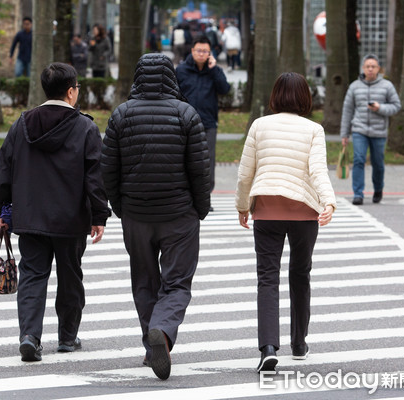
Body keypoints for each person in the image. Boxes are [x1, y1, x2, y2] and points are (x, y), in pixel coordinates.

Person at [0, 62, 111, 362]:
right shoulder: (85, 127)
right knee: (70, 277)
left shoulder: (22, 124)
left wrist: (1, 209)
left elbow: (5, 168)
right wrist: (98, 215)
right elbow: (95, 177)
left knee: (32, 275)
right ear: (71, 92)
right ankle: (68, 337)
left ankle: (30, 336)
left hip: (29, 217)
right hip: (70, 219)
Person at [101, 53, 211, 380]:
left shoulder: (121, 115)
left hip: (136, 214)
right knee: (177, 283)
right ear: (171, 77)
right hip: (179, 214)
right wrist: (200, 208)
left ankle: (152, 348)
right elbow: (199, 171)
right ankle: (161, 331)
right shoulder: (185, 114)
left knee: (144, 281)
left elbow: (109, 170)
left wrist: (120, 207)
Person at [235, 72, 336, 373]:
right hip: (305, 212)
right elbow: (318, 170)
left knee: (267, 277)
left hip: (266, 210)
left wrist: (243, 206)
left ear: (275, 96)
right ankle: (299, 342)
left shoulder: (259, 126)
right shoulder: (313, 129)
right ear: (305, 97)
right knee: (300, 274)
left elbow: (244, 173)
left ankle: (268, 348)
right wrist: (328, 201)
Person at [176, 36, 230, 209]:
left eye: (205, 51)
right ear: (192, 51)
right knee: (184, 161)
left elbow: (225, 89)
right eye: (198, 50)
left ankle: (205, 199)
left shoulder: (214, 70)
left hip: (208, 123)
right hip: (184, 123)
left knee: (207, 162)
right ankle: (185, 198)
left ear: (210, 53)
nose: (201, 54)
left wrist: (214, 69)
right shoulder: (182, 70)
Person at [340, 54, 401, 205]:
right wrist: (344, 133)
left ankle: (378, 189)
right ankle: (358, 194)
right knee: (359, 160)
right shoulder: (354, 86)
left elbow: (396, 106)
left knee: (378, 163)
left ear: (378, 69)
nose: (370, 69)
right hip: (359, 130)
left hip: (379, 131)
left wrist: (380, 108)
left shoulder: (387, 86)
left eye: (373, 66)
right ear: (363, 68)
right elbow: (347, 110)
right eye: (368, 66)